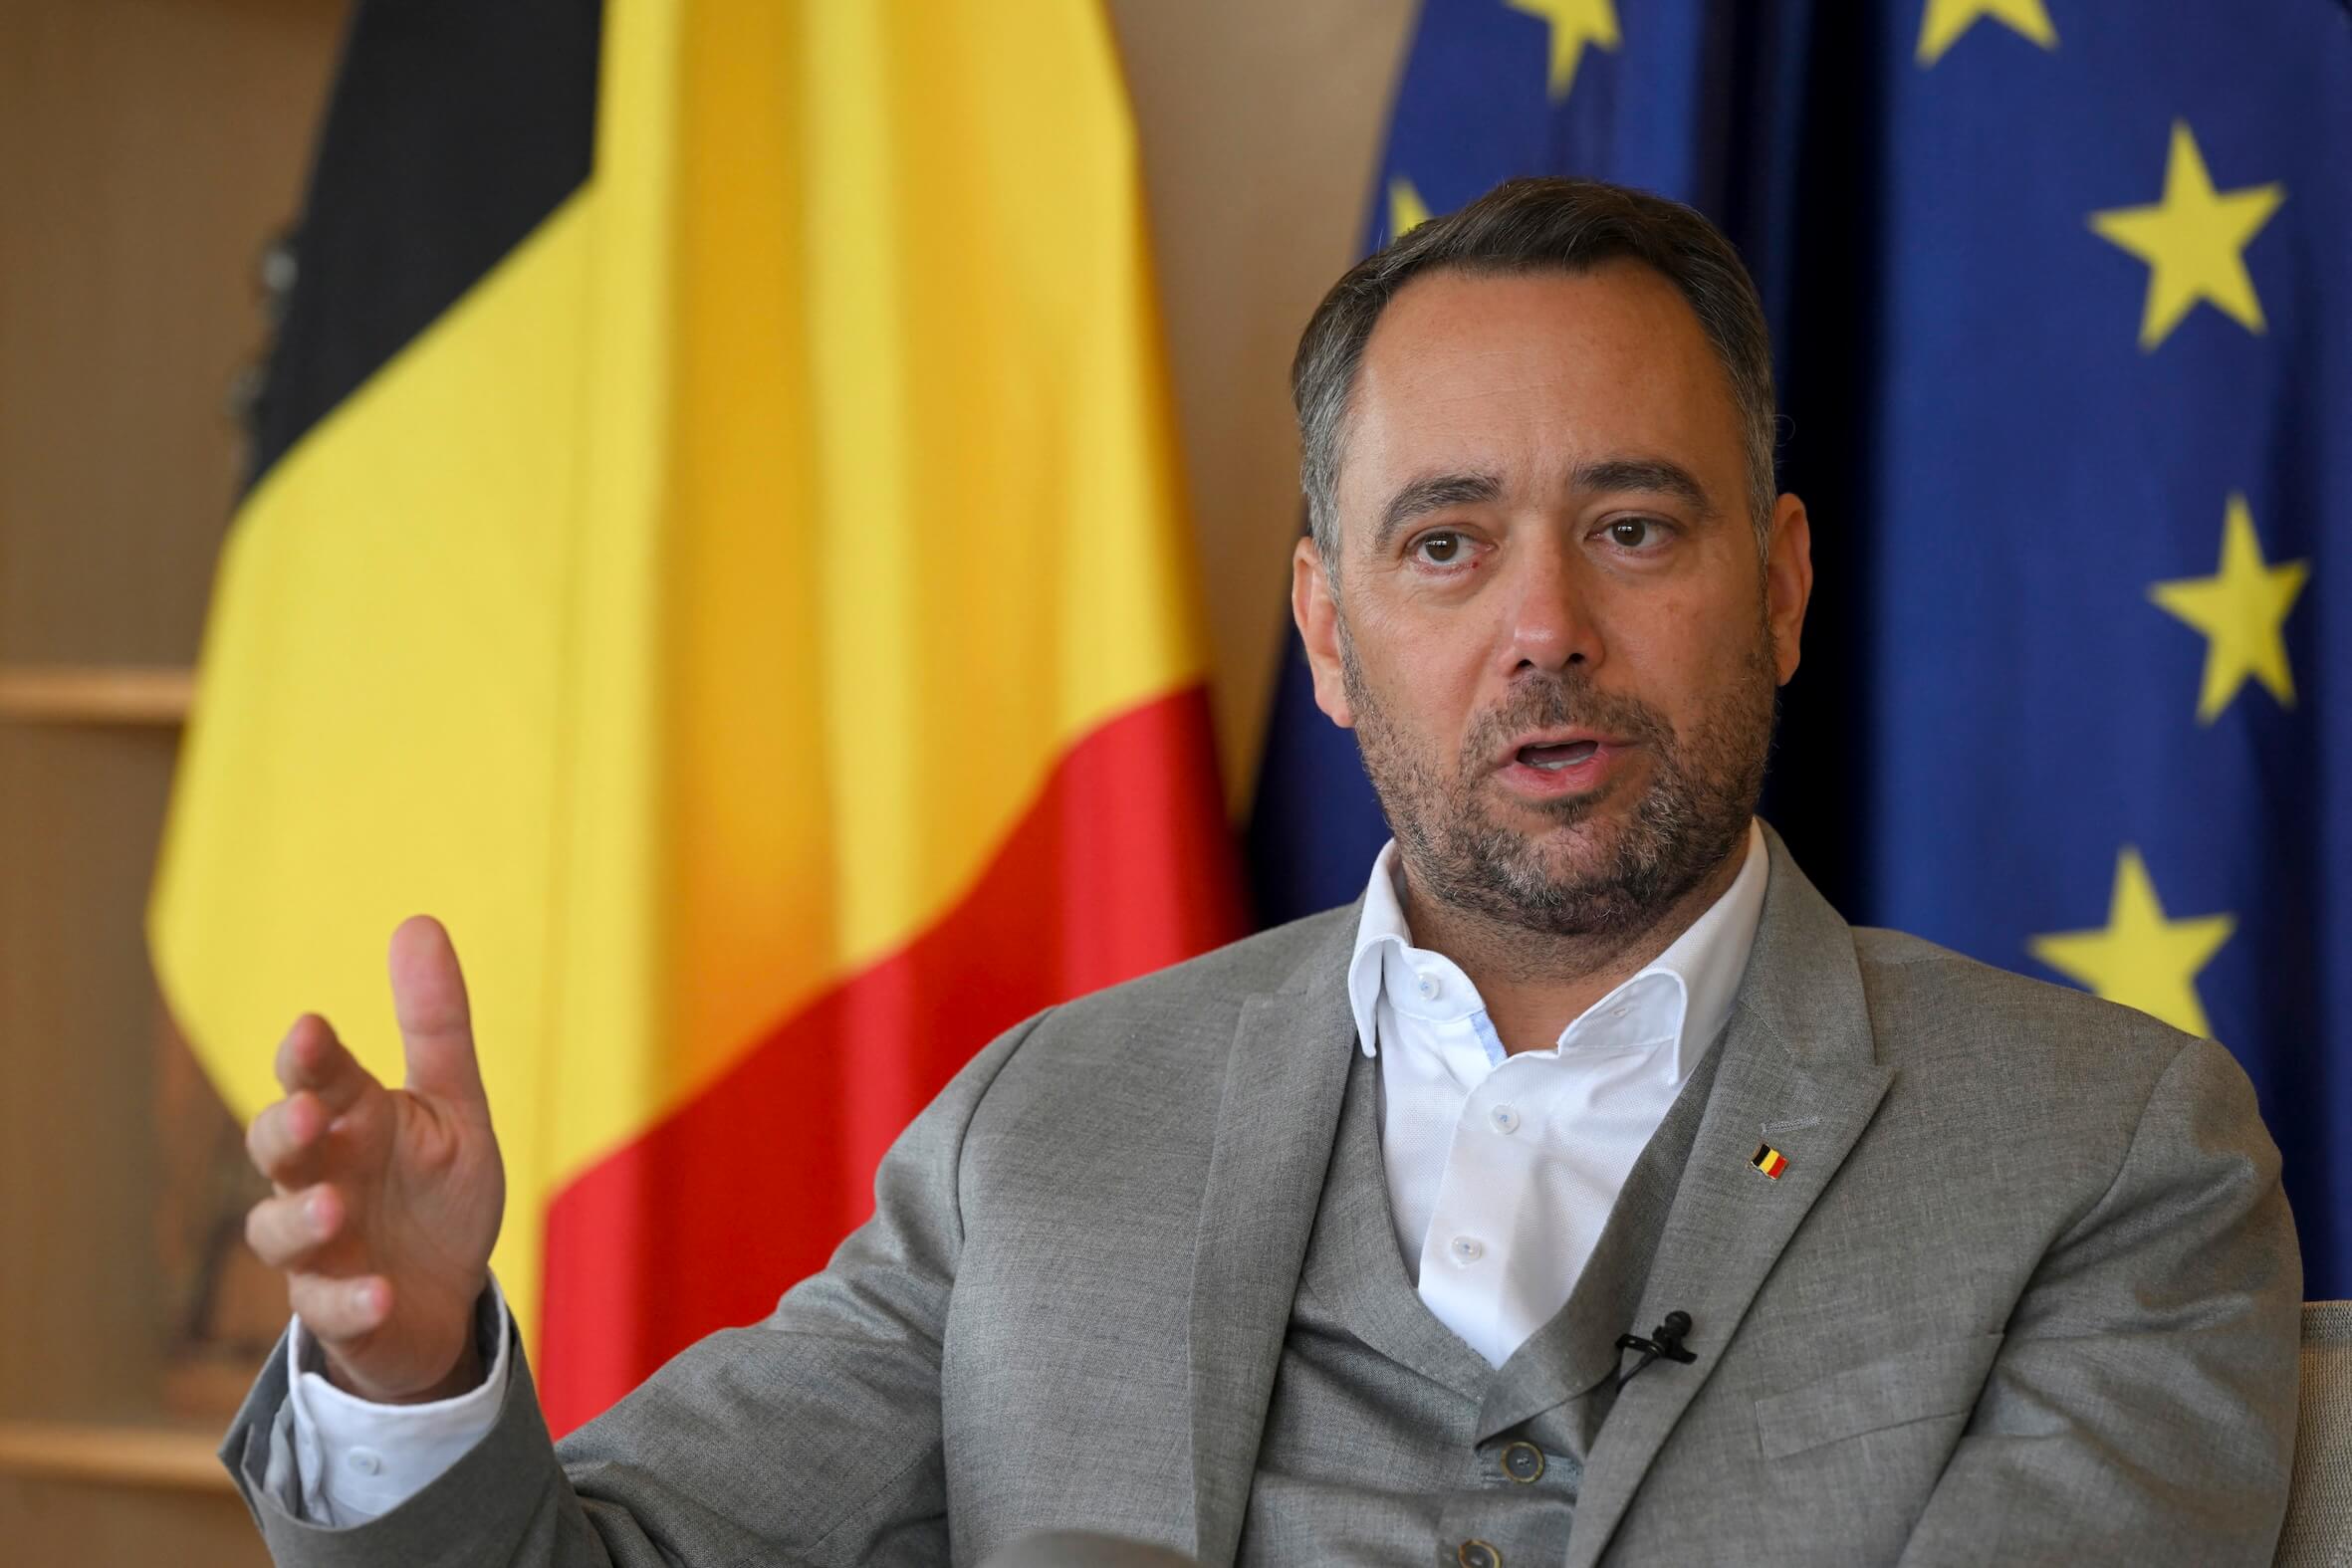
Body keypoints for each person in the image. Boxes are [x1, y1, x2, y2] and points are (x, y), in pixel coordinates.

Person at [223, 176, 2301, 1566]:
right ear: (1323, 628)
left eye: (1633, 529)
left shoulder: (2111, 1157)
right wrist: (411, 1372)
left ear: (1776, 586)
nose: (1544, 628)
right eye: (1443, 543)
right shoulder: (1048, 1128)